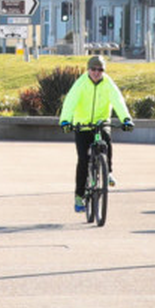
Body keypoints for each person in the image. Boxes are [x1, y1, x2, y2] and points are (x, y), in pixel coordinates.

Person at [59, 55, 134, 212]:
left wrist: (126, 119)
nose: (96, 72)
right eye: (93, 69)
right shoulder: (81, 83)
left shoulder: (108, 83)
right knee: (83, 160)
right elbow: (70, 101)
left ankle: (109, 172)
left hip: (100, 122)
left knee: (106, 140)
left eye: (100, 70)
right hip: (83, 125)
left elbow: (118, 100)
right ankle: (79, 197)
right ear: (88, 69)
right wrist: (65, 121)